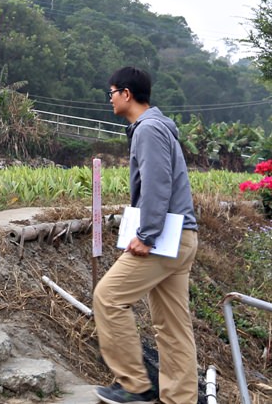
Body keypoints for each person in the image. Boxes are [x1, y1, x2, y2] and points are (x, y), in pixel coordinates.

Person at [93, 66, 199, 404]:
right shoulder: (158, 127)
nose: (109, 99)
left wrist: (148, 233)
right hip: (182, 236)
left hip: (163, 236)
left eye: (111, 92)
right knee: (173, 327)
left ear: (126, 93)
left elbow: (157, 184)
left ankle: (133, 385)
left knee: (108, 297)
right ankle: (179, 399)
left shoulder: (149, 130)